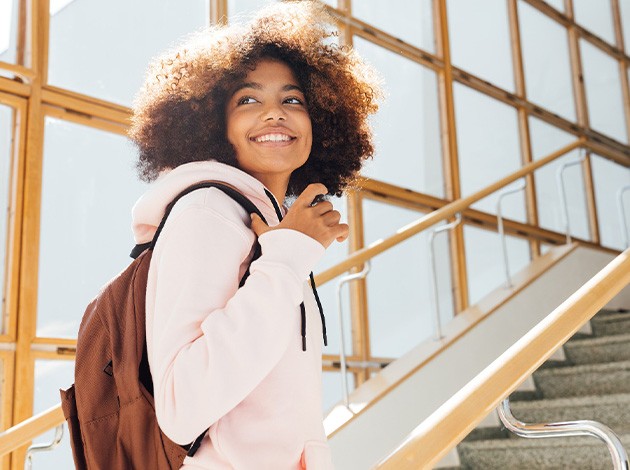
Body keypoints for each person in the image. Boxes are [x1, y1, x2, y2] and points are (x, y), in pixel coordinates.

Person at [128, 1, 380, 468]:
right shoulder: (209, 212)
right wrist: (287, 257)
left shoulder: (266, 223)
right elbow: (183, 408)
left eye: (292, 100)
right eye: (248, 100)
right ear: (211, 124)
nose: (274, 115)